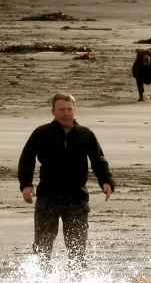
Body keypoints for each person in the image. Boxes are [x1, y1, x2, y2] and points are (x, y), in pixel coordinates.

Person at [18, 93, 115, 269]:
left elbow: (98, 160)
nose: (66, 113)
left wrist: (106, 182)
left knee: (77, 249)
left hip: (77, 198)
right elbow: (27, 158)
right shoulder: (42, 133)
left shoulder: (85, 134)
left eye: (69, 109)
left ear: (74, 110)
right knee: (42, 247)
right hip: (48, 197)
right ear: (53, 112)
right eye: (61, 109)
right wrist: (26, 185)